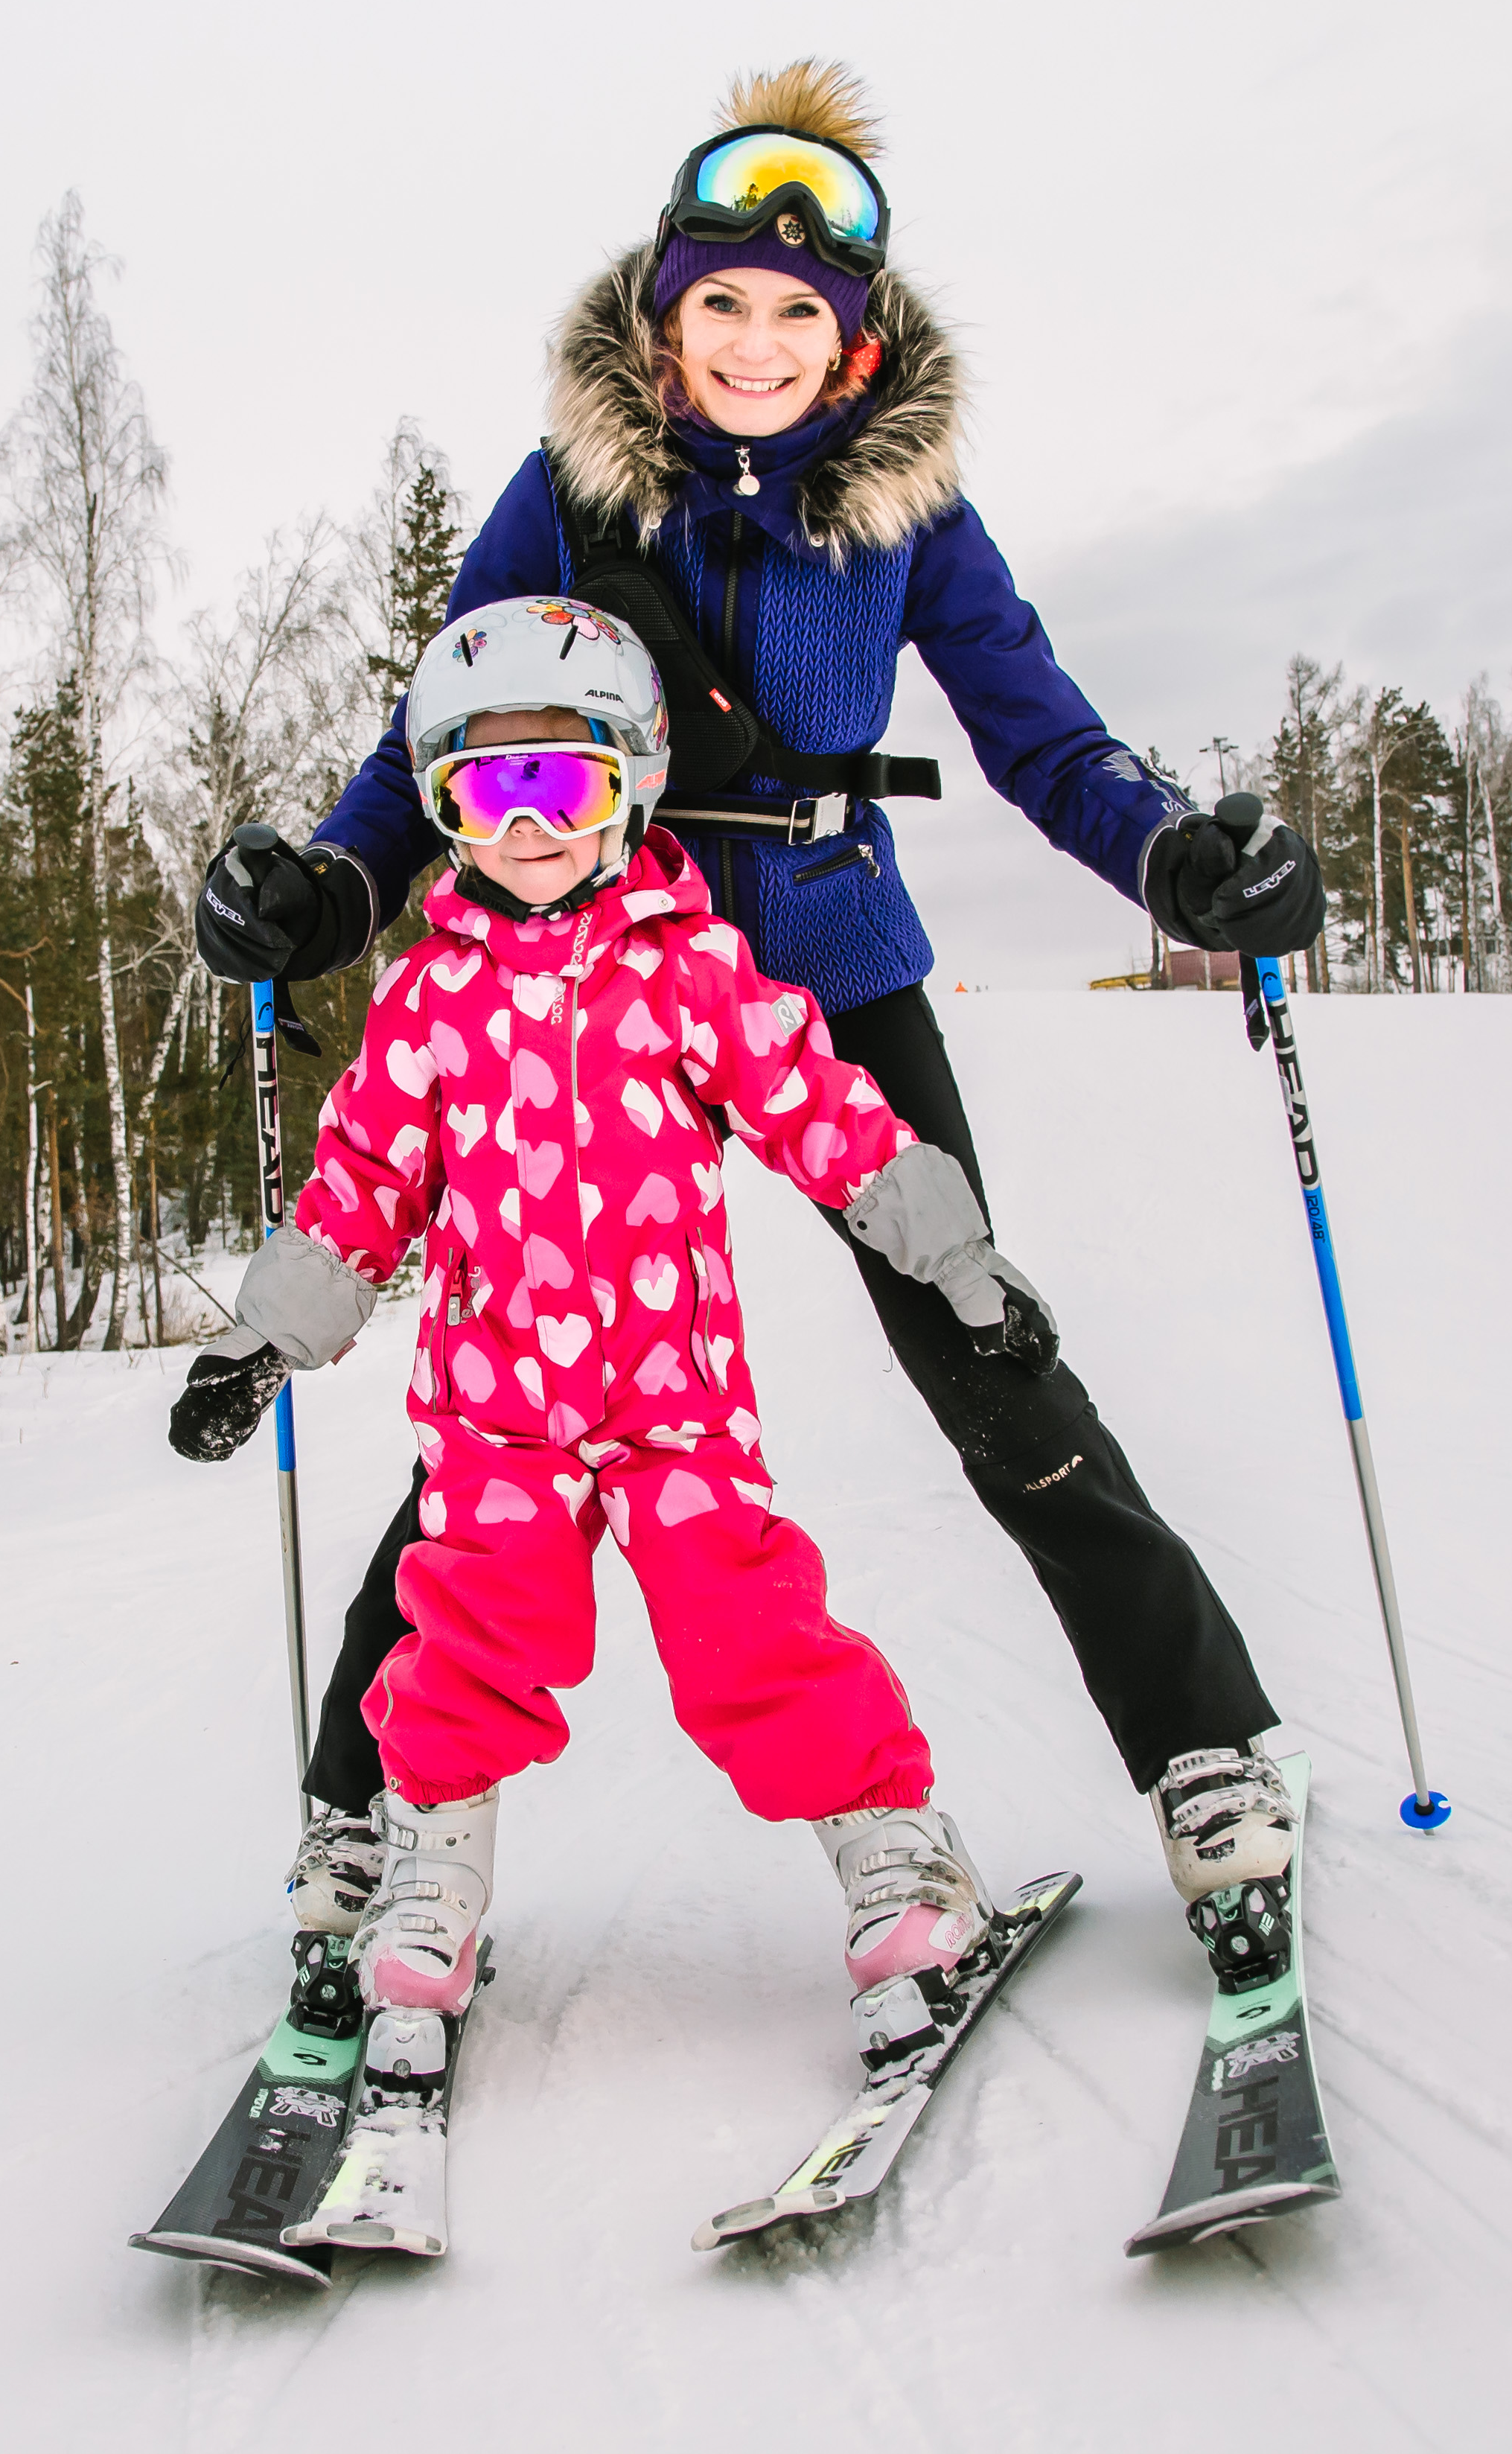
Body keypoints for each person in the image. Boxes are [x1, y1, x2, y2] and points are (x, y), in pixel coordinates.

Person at [191, 60, 1333, 1990]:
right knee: (501, 1417)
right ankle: (360, 1821)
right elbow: (431, 721)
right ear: (661, 311)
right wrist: (332, 882)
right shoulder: (567, 489)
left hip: (823, 960)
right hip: (571, 965)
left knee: (992, 1358)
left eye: (795, 311)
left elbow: (1037, 733)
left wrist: (1173, 853)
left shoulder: (905, 515)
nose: (752, 340)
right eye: (717, 299)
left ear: (855, 341)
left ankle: (1204, 1751)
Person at [170, 599, 1037, 2014]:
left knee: (752, 1635)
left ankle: (900, 1850)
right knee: (462, 1640)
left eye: (559, 780)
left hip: (672, 1405)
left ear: (630, 780)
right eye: (484, 786)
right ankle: (432, 1876)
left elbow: (829, 1112)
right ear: (445, 809)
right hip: (495, 1413)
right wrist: (261, 1339)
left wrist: (960, 1258)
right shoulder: (428, 1003)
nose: (526, 823)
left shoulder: (692, 971)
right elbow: (357, 1187)